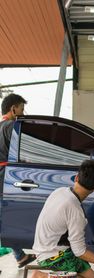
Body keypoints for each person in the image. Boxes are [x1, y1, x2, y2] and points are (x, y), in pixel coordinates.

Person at [23, 160, 94, 278]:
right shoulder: (74, 210)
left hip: (44, 247)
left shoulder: (60, 191)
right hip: (52, 256)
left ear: (76, 178)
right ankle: (41, 277)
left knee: (87, 268)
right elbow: (79, 251)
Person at [0, 93, 36, 268]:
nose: (23, 113)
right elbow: (25, 153)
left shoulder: (0, 126)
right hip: (5, 181)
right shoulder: (12, 127)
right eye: (22, 109)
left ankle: (20, 256)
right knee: (4, 222)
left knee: (3, 221)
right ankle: (20, 255)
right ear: (13, 109)